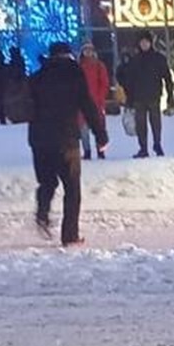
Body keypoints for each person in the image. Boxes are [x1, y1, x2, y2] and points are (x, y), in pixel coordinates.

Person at [27, 41, 107, 247]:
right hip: (66, 140)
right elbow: (87, 105)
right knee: (72, 189)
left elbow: (26, 105)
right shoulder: (74, 74)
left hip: (39, 140)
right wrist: (100, 135)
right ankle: (69, 234)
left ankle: (42, 214)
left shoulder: (38, 77)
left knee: (47, 182)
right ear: (69, 55)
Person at [119, 31, 174, 157]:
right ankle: (143, 148)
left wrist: (170, 97)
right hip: (139, 97)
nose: (144, 44)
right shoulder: (135, 60)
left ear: (150, 43)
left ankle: (157, 144)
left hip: (153, 96)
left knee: (155, 123)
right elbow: (127, 80)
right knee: (141, 125)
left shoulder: (158, 59)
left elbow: (167, 78)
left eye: (146, 42)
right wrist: (129, 97)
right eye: (142, 42)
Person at [78, 42, 111, 161]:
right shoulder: (79, 66)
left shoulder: (99, 66)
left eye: (90, 50)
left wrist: (101, 97)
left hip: (96, 101)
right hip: (82, 102)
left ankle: (100, 150)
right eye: (86, 50)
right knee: (83, 129)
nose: (88, 52)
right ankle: (87, 151)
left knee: (99, 126)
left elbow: (104, 83)